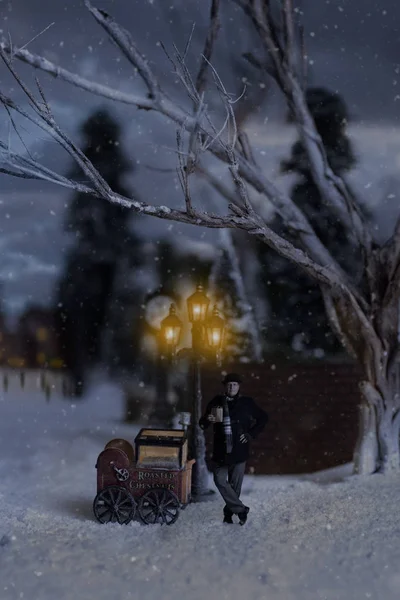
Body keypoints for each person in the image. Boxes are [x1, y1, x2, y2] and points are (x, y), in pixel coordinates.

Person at [199, 373, 268, 525]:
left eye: (235, 385)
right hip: (221, 449)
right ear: (225, 386)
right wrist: (207, 420)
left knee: (235, 486)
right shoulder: (217, 401)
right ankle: (241, 510)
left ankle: (228, 514)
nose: (232, 387)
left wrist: (250, 434)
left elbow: (263, 418)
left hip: (239, 449)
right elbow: (204, 423)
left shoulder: (247, 402)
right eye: (229, 384)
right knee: (219, 479)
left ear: (239, 386)